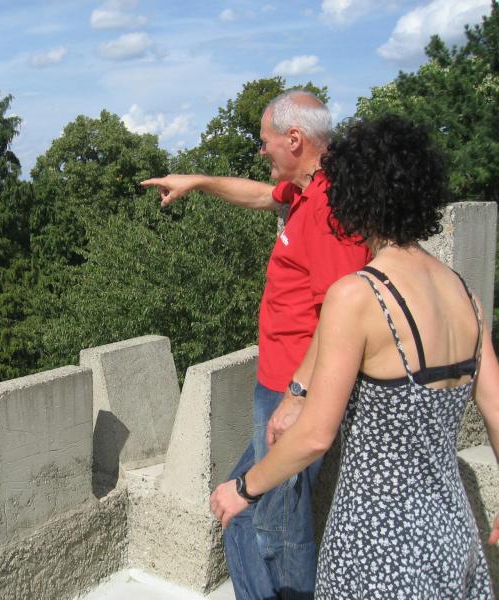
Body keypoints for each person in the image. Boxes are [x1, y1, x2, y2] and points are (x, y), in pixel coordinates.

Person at [210, 114, 499, 598]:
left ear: (354, 196)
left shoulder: (359, 295)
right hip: (453, 534)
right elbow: (495, 406)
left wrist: (243, 488)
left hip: (377, 543)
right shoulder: (463, 294)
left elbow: (314, 436)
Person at [142, 90, 370, 599]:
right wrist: (197, 181)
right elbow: (261, 195)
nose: (262, 150)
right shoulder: (307, 192)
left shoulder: (329, 208)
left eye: (266, 141)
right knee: (245, 511)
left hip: (294, 392)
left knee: (275, 527)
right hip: (280, 385)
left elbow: (341, 316)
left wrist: (297, 396)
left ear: (295, 139)